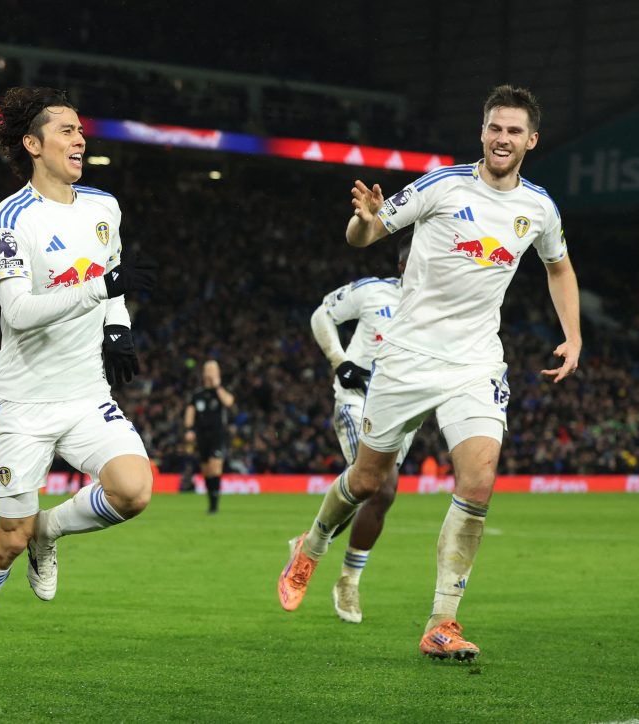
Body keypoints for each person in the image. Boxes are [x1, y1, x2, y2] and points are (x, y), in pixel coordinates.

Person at [278, 85, 581, 662]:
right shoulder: (442, 184)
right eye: (495, 127)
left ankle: (442, 622)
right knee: (368, 482)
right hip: (408, 356)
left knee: (480, 480)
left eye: (514, 131)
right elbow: (365, 233)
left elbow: (559, 268)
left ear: (531, 141)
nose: (502, 138)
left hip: (476, 361)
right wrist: (364, 222)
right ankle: (312, 546)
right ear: (483, 131)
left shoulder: (539, 207)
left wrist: (574, 335)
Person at [0, 87, 157, 676]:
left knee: (134, 489)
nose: (79, 138)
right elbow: (18, 311)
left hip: (87, 391)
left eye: (80, 129)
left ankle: (50, 531)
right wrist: (101, 293)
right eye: (64, 130)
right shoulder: (10, 222)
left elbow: (112, 283)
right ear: (32, 145)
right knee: (4, 542)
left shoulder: (104, 206)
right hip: (23, 403)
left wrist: (119, 330)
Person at [308, 241, 413, 623]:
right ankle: (348, 582)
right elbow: (322, 315)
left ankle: (313, 546)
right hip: (358, 401)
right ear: (404, 263)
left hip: (405, 412)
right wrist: (340, 361)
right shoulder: (372, 291)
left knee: (374, 496)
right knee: (381, 485)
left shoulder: (443, 308)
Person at [184, 360, 235, 514]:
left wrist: (218, 386)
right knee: (206, 470)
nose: (211, 372)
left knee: (215, 467)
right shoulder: (197, 394)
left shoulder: (221, 392)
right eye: (209, 369)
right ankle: (211, 502)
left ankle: (215, 505)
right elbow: (189, 413)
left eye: (214, 369)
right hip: (201, 436)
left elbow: (229, 402)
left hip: (217, 435)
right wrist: (189, 429)